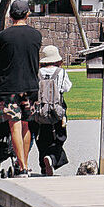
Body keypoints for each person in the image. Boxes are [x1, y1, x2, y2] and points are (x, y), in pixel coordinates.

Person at [0, 0, 42, 176]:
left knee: (14, 125)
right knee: (26, 125)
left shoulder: (2, 37)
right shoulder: (36, 35)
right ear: (27, 14)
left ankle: (21, 167)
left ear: (10, 15)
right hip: (30, 85)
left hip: (9, 86)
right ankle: (25, 163)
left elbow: (0, 65)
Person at [32, 44, 72, 176]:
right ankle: (52, 159)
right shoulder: (61, 72)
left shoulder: (38, 72)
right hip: (57, 109)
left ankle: (44, 166)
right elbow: (66, 88)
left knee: (41, 139)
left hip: (40, 110)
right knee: (59, 138)